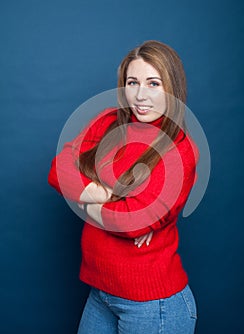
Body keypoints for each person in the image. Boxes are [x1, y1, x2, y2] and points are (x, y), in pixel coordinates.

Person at [48, 40, 199, 334]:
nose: (141, 95)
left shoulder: (180, 150)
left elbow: (133, 223)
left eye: (153, 83)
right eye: (133, 82)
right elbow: (58, 169)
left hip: (153, 306)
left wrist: (84, 201)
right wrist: (103, 197)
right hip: (101, 293)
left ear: (172, 88)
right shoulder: (106, 123)